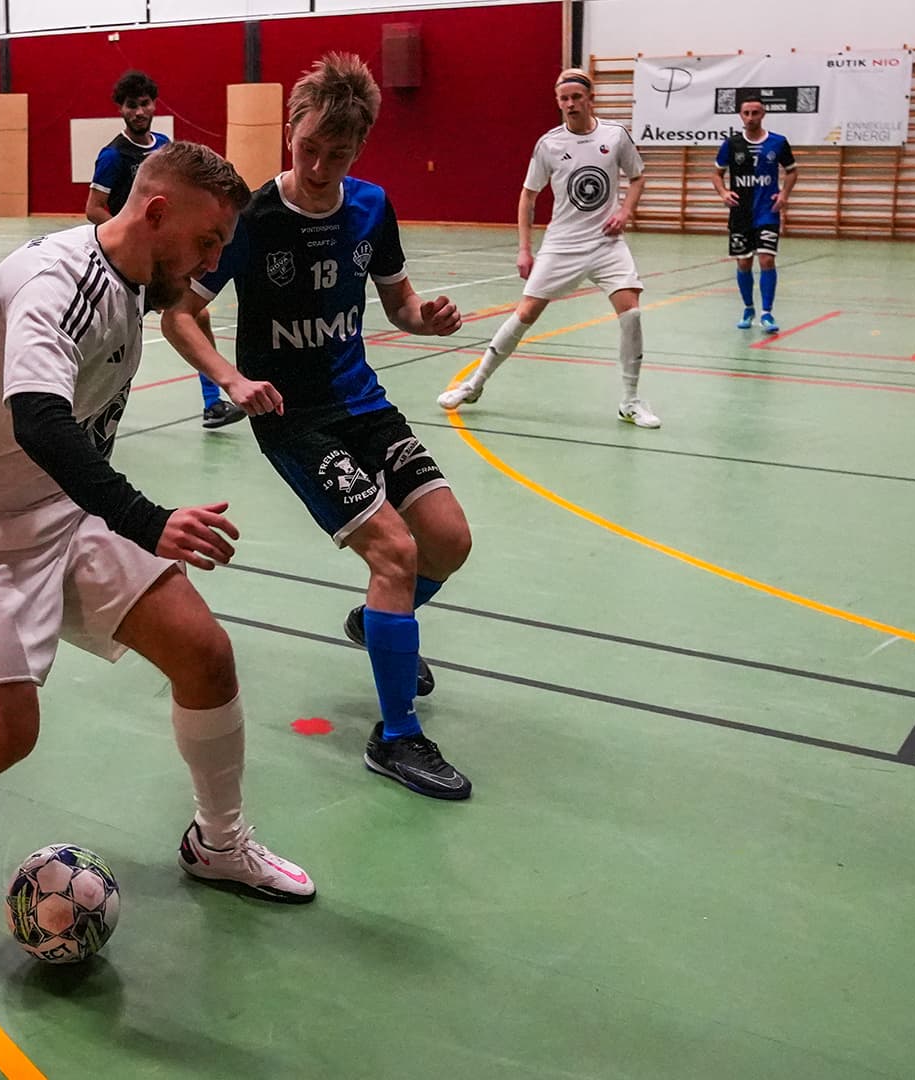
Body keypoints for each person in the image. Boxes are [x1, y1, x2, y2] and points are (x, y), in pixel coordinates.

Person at [0, 140, 314, 903]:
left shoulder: (132, 279)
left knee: (205, 655)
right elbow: (39, 421)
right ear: (156, 212)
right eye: (206, 241)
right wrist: (146, 520)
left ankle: (220, 843)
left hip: (61, 503)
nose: (208, 263)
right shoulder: (58, 282)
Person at [162, 54, 474, 801]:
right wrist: (232, 380)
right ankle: (397, 736)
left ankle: (378, 622)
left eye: (339, 154)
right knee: (395, 551)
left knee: (449, 540)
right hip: (293, 418)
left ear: (358, 150)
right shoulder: (253, 219)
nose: (321, 164)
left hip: (363, 403)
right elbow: (179, 312)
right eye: (309, 147)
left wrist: (424, 322)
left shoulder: (370, 207)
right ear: (290, 131)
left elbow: (398, 306)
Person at [436, 69, 659, 429]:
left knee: (631, 313)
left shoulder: (615, 136)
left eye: (576, 97)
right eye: (563, 99)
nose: (570, 104)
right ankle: (475, 384)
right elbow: (528, 195)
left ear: (591, 98)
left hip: (606, 242)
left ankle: (630, 401)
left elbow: (637, 177)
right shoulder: (549, 144)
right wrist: (525, 249)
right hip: (562, 244)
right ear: (558, 102)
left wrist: (625, 211)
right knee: (525, 314)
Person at [86, 70, 243, 431]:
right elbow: (94, 207)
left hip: (167, 260)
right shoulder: (113, 156)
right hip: (133, 261)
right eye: (131, 105)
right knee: (113, 334)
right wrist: (131, 235)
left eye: (144, 104)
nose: (139, 111)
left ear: (154, 105)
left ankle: (212, 404)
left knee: (194, 315)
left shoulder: (166, 148)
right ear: (121, 110)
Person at [713, 95, 797, 331]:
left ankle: (767, 313)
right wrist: (723, 193)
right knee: (744, 263)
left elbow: (792, 171)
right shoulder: (732, 144)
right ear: (741, 115)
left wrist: (784, 195)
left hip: (767, 212)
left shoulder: (778, 142)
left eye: (755, 113)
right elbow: (716, 174)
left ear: (763, 114)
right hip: (740, 214)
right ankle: (748, 308)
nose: (750, 117)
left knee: (767, 259)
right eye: (746, 113)